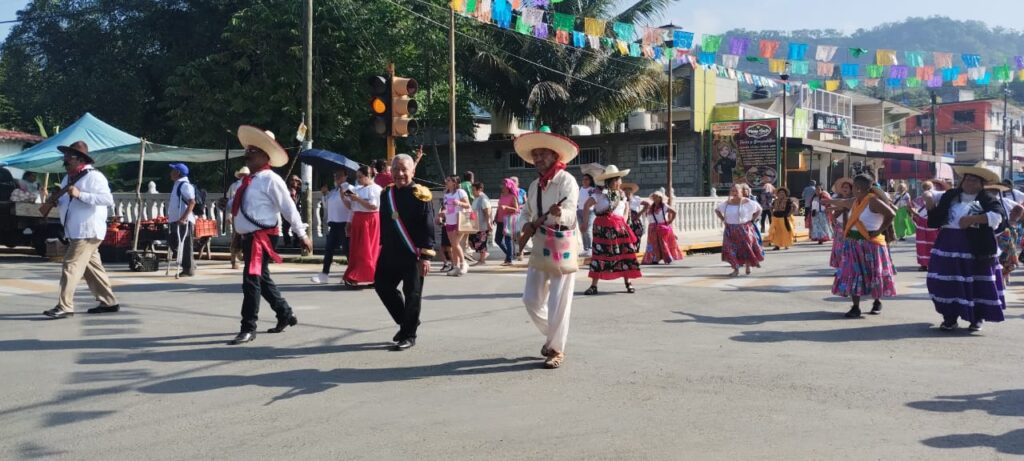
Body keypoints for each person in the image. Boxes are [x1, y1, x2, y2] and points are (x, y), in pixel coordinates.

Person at [226, 126, 312, 345]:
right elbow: (242, 207)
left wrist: (301, 234)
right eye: (248, 149)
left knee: (251, 280)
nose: (248, 153)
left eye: (253, 150)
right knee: (261, 280)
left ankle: (248, 327)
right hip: (249, 237)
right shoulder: (248, 180)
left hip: (261, 237)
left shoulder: (271, 179)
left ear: (265, 156)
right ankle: (285, 313)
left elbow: (288, 208)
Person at [515, 131, 580, 369]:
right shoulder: (534, 185)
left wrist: (560, 214)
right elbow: (526, 212)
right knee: (531, 299)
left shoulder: (567, 181)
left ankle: (556, 348)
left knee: (559, 301)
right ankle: (553, 334)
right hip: (541, 242)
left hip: (563, 242)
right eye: (535, 154)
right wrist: (525, 224)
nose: (538, 158)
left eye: (543, 154)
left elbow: (572, 213)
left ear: (554, 155)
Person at [40, 141, 120, 319]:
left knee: (71, 265)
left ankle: (65, 306)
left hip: (87, 230)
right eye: (65, 157)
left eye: (69, 157)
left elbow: (107, 200)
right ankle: (109, 302)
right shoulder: (68, 178)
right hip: (76, 230)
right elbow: (66, 201)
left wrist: (80, 194)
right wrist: (56, 201)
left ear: (80, 159)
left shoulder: (94, 177)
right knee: (92, 269)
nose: (65, 160)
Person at [926, 162, 1006, 332]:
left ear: (981, 184)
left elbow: (997, 216)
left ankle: (977, 318)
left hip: (975, 247)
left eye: (973, 180)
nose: (969, 183)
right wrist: (928, 199)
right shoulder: (951, 195)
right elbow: (930, 195)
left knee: (976, 282)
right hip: (948, 245)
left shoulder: (987, 199)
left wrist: (973, 219)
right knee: (947, 282)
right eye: (967, 179)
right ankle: (950, 317)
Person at [375, 154, 436, 350]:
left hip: (413, 253)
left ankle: (409, 335)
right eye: (395, 169)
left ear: (413, 171)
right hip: (390, 251)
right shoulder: (387, 194)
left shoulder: (421, 194)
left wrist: (425, 257)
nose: (399, 174)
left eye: (404, 169)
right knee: (382, 285)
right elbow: (384, 222)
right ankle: (407, 321)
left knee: (412, 294)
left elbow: (428, 227)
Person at [831, 174, 897, 318]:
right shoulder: (856, 201)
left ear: (858, 188)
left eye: (854, 186)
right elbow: (843, 202)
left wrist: (879, 231)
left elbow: (891, 214)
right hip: (853, 244)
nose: (852, 189)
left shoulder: (873, 201)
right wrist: (828, 201)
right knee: (853, 273)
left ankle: (877, 302)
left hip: (871, 245)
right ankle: (855, 307)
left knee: (873, 274)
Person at [582, 165, 642, 295]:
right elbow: (586, 205)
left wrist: (623, 222)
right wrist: (585, 223)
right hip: (602, 229)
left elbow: (626, 209)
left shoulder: (622, 195)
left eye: (619, 179)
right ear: (611, 181)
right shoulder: (599, 194)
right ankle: (593, 286)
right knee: (600, 255)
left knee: (624, 255)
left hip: (619, 229)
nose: (620, 182)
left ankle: (628, 282)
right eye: (618, 180)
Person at [342, 166, 382, 288]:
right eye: (357, 177)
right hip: (358, 219)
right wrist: (343, 196)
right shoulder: (357, 189)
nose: (358, 179)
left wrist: (358, 199)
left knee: (367, 249)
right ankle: (354, 275)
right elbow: (351, 206)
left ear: (368, 176)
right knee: (356, 249)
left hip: (370, 219)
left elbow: (373, 206)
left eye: (360, 177)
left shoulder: (375, 189)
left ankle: (372, 275)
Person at [312, 168, 352, 284]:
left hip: (344, 223)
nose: (337, 178)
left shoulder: (349, 188)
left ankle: (351, 274)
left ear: (345, 176)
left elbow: (352, 205)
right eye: (335, 176)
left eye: (339, 175)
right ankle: (324, 274)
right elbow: (326, 205)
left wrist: (343, 196)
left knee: (347, 250)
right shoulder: (334, 191)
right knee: (329, 249)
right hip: (334, 224)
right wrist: (325, 194)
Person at [716, 184, 764, 276]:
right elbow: (717, 210)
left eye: (736, 191)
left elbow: (759, 209)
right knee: (730, 250)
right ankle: (736, 269)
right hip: (730, 229)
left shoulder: (748, 202)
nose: (734, 193)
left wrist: (752, 220)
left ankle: (748, 265)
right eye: (732, 191)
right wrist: (723, 219)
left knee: (746, 248)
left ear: (741, 192)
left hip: (744, 229)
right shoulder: (727, 203)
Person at [986, 182, 1024, 284]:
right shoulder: (982, 202)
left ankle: (1001, 279)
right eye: (991, 190)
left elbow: (1020, 208)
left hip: (1003, 234)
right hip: (990, 234)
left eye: (994, 190)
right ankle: (999, 279)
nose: (992, 192)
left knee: (1003, 259)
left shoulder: (1005, 201)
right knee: (998, 259)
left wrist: (1013, 220)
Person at [167, 163, 197, 277]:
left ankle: (188, 269)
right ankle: (190, 264)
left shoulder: (185, 185)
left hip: (184, 221)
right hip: (175, 220)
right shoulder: (177, 184)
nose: (170, 173)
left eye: (173, 170)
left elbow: (192, 202)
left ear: (178, 173)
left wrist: (183, 218)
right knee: (173, 241)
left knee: (186, 245)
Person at [642, 190, 684, 265]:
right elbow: (648, 216)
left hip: (661, 227)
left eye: (656, 197)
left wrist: (670, 221)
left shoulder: (664, 206)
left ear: (660, 198)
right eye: (653, 197)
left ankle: (667, 258)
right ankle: (653, 258)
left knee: (663, 243)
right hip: (652, 228)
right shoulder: (651, 207)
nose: (654, 198)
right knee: (652, 244)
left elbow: (674, 212)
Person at [441, 175, 472, 276]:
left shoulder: (460, 192)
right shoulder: (446, 194)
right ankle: (456, 267)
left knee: (455, 244)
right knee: (453, 245)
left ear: (454, 182)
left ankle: (463, 264)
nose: (446, 181)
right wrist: (442, 213)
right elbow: (446, 208)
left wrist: (458, 203)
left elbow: (468, 205)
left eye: (448, 180)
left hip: (459, 221)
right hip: (449, 221)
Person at [226, 166, 250, 270]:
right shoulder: (234, 186)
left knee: (246, 237)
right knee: (236, 237)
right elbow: (229, 201)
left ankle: (242, 257)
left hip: (247, 215)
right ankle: (234, 260)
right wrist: (229, 214)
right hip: (237, 214)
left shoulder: (252, 185)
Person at [828, 178, 854, 270]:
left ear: (851, 189)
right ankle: (839, 268)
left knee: (848, 247)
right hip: (839, 226)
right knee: (839, 247)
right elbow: (835, 212)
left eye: (846, 187)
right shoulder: (837, 199)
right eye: (843, 187)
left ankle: (848, 267)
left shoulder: (854, 200)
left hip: (851, 226)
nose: (844, 189)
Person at [912, 180, 938, 271]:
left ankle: (923, 264)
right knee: (933, 243)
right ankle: (933, 262)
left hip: (922, 222)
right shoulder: (935, 198)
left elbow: (910, 206)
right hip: (933, 223)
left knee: (922, 244)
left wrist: (916, 215)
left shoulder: (919, 199)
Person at [494, 178, 520, 266]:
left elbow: (516, 209)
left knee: (507, 240)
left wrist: (507, 207)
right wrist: (495, 217)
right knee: (497, 240)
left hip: (508, 221)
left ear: (508, 186)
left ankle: (509, 259)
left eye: (503, 185)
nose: (501, 186)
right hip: (500, 221)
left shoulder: (512, 197)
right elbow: (499, 207)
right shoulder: (501, 195)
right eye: (501, 184)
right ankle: (510, 255)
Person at [468, 182, 492, 266]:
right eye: (472, 190)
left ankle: (482, 260)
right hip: (476, 225)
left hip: (482, 225)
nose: (472, 192)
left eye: (474, 190)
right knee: (474, 241)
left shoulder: (483, 199)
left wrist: (488, 223)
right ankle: (482, 257)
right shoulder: (476, 198)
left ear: (480, 189)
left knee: (481, 242)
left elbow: (487, 211)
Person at [576, 172, 597, 257]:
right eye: (583, 179)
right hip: (579, 211)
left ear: (590, 181)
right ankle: (585, 249)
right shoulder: (580, 189)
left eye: (586, 179)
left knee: (588, 229)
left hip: (590, 211)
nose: (584, 181)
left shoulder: (593, 190)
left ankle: (591, 248)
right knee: (582, 230)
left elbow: (593, 201)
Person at [282, 174, 304, 248]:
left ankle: (296, 242)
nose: (294, 181)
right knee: (285, 228)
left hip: (297, 212)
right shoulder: (286, 189)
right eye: (292, 180)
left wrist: (300, 181)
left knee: (296, 228)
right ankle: (287, 242)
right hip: (287, 211)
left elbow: (306, 189)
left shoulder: (299, 190)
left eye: (296, 180)